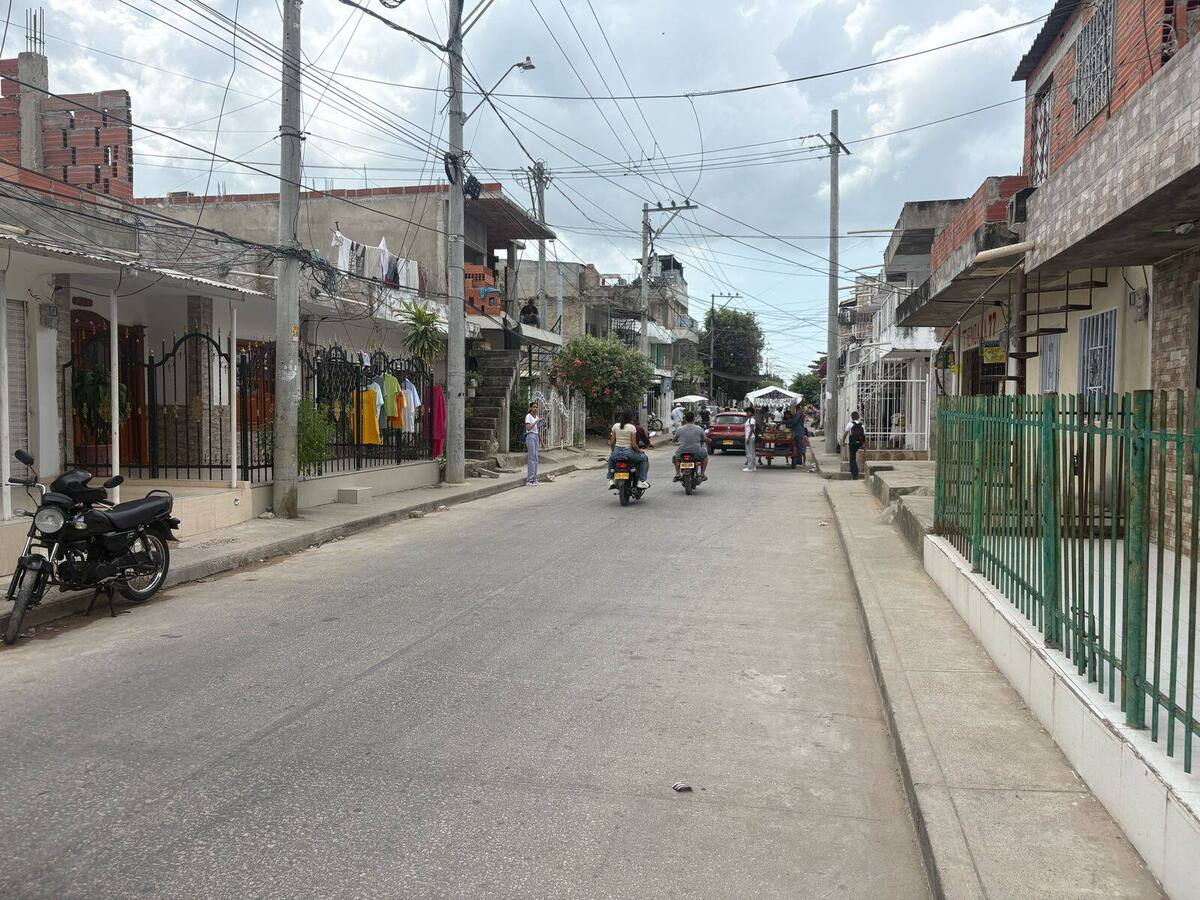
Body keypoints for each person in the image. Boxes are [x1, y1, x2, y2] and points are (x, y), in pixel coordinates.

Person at [609, 408, 650, 489]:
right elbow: (634, 444)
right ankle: (641, 481)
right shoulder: (632, 427)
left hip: (616, 451)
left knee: (611, 459)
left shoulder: (615, 426)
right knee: (644, 458)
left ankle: (610, 479)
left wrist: (613, 450)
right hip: (629, 453)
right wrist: (640, 452)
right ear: (631, 417)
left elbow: (612, 442)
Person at [672, 410, 709, 481]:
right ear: (694, 418)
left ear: (685, 419)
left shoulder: (680, 429)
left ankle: (677, 474)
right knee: (705, 457)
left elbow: (674, 440)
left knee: (675, 458)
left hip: (682, 451)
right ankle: (702, 474)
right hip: (696, 451)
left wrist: (674, 440)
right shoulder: (699, 428)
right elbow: (705, 439)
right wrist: (709, 440)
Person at [524, 400, 542, 485]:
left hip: (535, 437)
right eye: (534, 407)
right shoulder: (528, 416)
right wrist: (536, 422)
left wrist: (542, 442)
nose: (535, 408)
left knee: (536, 458)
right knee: (531, 458)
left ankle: (534, 478)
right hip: (530, 436)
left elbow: (537, 431)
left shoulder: (537, 417)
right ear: (530, 408)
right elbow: (528, 428)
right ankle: (529, 480)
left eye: (536, 407)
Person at [844, 410, 866, 479]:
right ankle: (852, 469)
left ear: (852, 417)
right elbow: (864, 436)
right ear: (858, 417)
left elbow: (845, 434)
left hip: (853, 443)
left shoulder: (850, 424)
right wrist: (865, 445)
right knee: (853, 457)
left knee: (852, 458)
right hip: (860, 443)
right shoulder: (862, 425)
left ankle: (855, 473)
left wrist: (843, 442)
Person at [743, 404, 757, 472]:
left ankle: (750, 467)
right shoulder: (750, 419)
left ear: (751, 413)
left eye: (748, 412)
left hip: (750, 437)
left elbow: (752, 430)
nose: (746, 413)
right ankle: (753, 467)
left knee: (749, 453)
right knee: (752, 452)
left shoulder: (751, 420)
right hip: (751, 437)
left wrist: (748, 438)